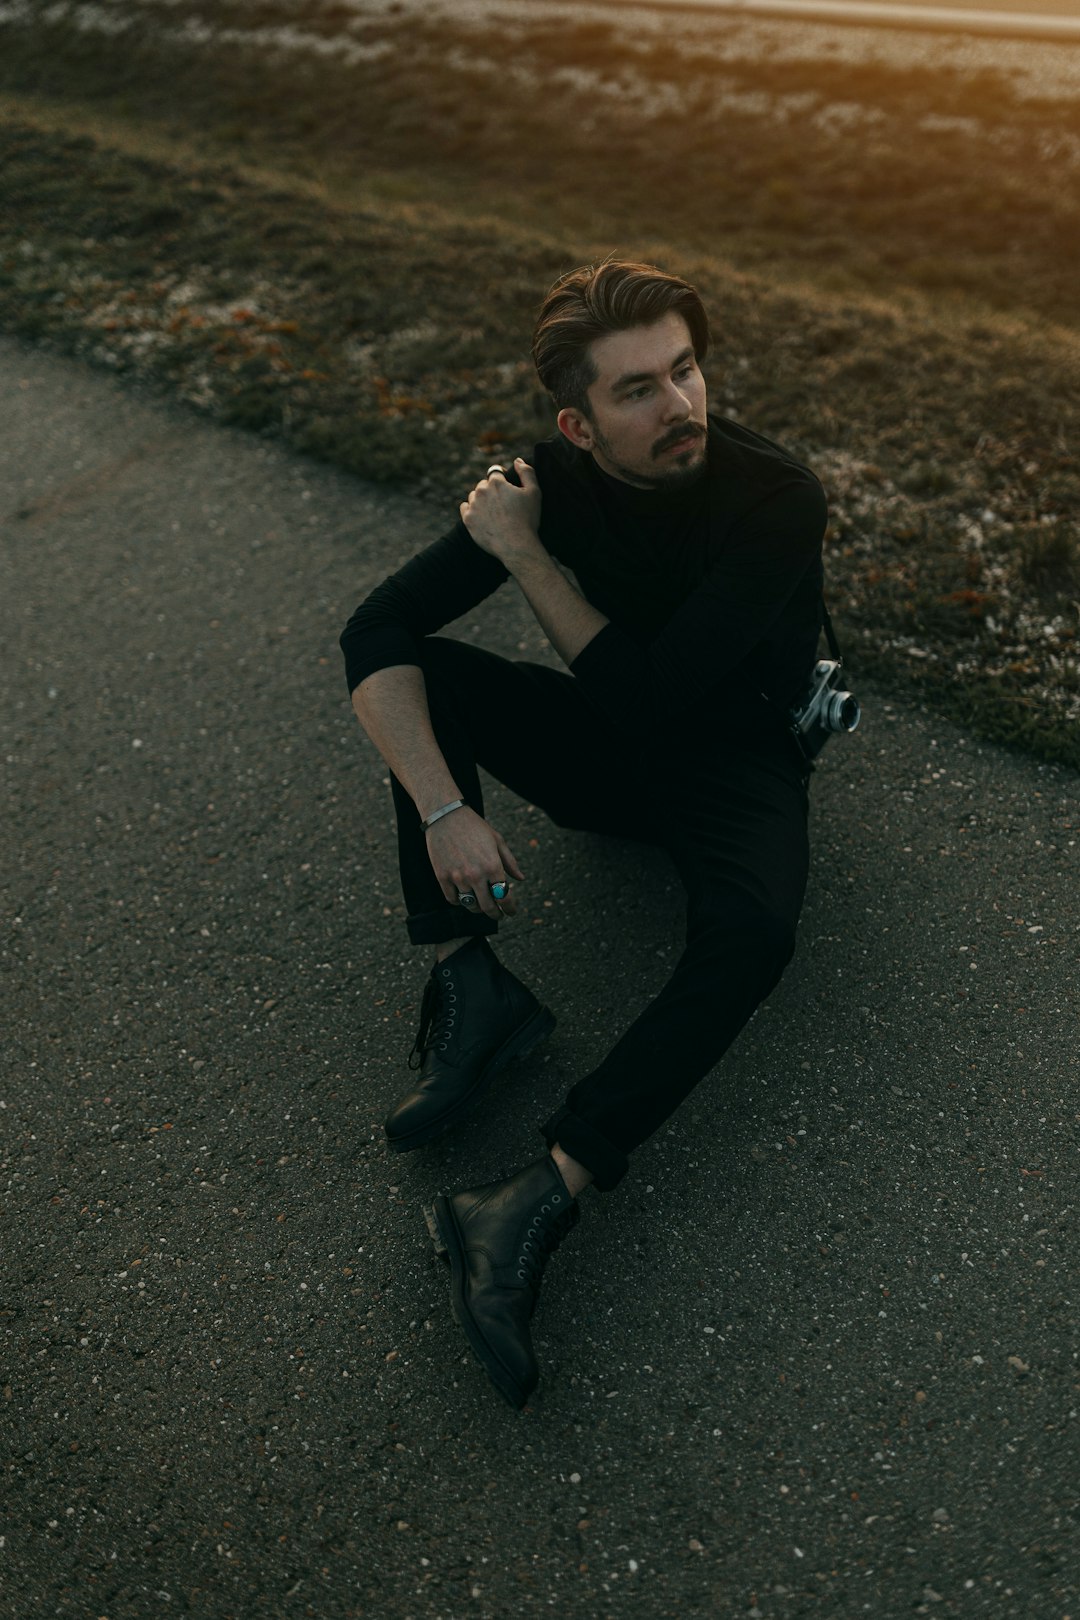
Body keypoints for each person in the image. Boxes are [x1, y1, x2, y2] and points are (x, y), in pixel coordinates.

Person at [340, 259, 829, 1411]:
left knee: (755, 930)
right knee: (428, 674)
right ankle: (473, 982)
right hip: (613, 755)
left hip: (736, 759)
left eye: (687, 370)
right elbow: (375, 627)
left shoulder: (775, 498)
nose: (682, 408)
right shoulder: (542, 483)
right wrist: (445, 810)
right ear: (578, 422)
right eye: (639, 392)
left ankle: (532, 1194)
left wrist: (523, 555)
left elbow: (657, 700)